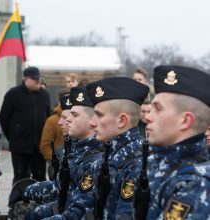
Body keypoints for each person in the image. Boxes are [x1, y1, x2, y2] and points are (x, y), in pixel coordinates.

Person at [43, 77, 149, 220]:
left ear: (122, 120)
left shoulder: (138, 164)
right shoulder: (108, 157)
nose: (92, 123)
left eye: (99, 115)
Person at [116, 65, 210, 219]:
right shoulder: (153, 164)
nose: (148, 117)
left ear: (185, 121)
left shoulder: (195, 184)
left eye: (158, 109)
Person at [26, 86, 104, 219]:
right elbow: (62, 188)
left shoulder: (96, 158)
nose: (66, 121)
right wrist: (26, 190)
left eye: (74, 115)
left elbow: (77, 210)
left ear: (93, 121)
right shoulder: (79, 149)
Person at [0, 66, 51, 184]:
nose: (38, 81)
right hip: (20, 146)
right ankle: (18, 201)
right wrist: (14, 136)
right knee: (20, 176)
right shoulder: (13, 94)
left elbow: (48, 117)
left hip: (39, 146)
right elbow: (4, 118)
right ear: (25, 79)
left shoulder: (44, 95)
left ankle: (39, 202)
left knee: (40, 176)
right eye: (35, 79)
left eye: (39, 79)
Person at [40, 89, 69, 180]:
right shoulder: (52, 121)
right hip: (56, 167)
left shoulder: (77, 118)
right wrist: (56, 161)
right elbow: (45, 146)